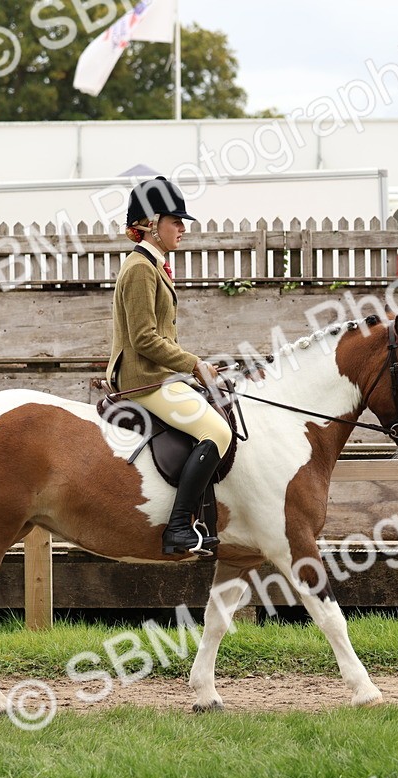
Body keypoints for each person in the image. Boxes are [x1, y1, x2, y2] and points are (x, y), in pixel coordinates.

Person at [106, 176, 234, 556]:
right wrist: (195, 364)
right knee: (218, 431)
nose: (183, 228)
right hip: (144, 380)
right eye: (175, 221)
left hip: (161, 375)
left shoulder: (152, 265)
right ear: (150, 223)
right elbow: (144, 338)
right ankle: (177, 527)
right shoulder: (140, 269)